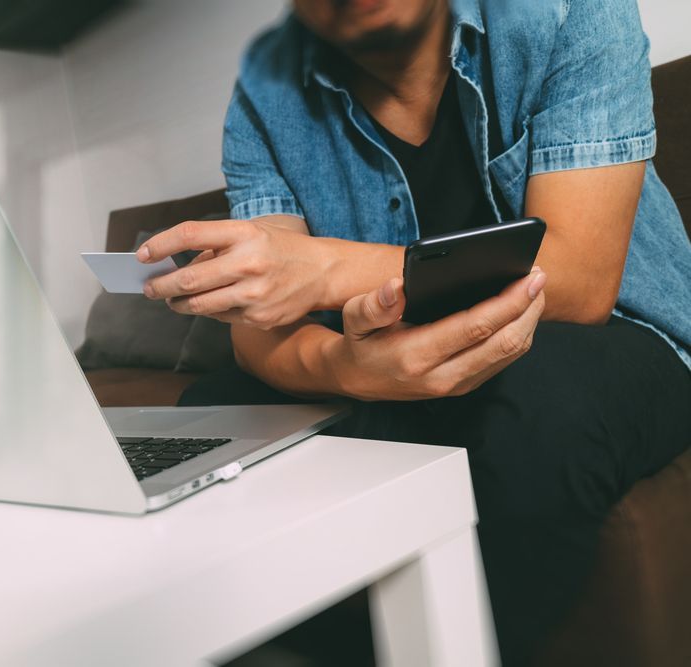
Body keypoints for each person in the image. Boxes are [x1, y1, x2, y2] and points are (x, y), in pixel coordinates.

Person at [136, 0, 691, 664]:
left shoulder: (570, 12)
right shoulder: (264, 91)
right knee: (212, 414)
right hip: (394, 362)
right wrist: (350, 367)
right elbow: (260, 328)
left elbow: (579, 281)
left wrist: (325, 271)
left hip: (618, 338)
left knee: (540, 403)